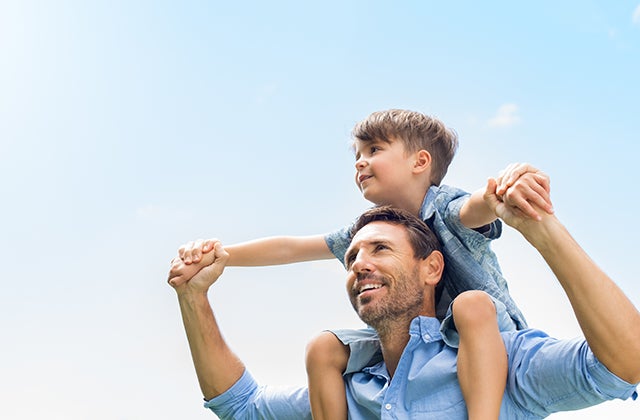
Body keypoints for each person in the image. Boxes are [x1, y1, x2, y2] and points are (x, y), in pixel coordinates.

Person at [174, 109, 552, 419]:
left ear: (421, 162)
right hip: (413, 342)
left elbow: (475, 210)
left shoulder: (446, 207)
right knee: (324, 347)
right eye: (357, 155)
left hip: (482, 333)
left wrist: (500, 191)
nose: (360, 162)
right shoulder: (369, 233)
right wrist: (223, 255)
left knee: (471, 304)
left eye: (373, 150)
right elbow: (292, 248)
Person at [167, 182, 640, 419]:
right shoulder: (348, 392)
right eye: (351, 257)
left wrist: (541, 227)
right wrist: (194, 298)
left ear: (432, 268)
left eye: (380, 249)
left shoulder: (497, 365)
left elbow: (624, 364)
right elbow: (240, 407)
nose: (358, 265)